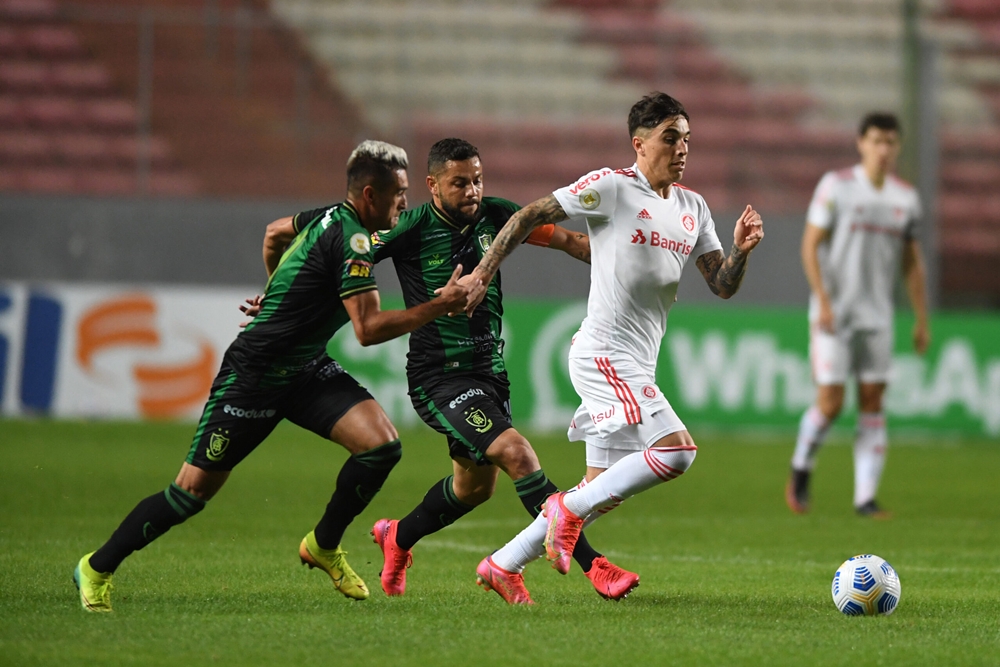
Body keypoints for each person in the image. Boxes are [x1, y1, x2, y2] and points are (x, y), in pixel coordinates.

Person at [72, 140, 474, 612]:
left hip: (304, 369)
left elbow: (273, 233)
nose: (406, 203)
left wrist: (279, 290)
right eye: (399, 193)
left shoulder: (329, 216)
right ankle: (96, 567)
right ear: (370, 195)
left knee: (381, 446)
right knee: (189, 494)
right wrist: (440, 305)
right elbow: (366, 330)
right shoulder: (354, 240)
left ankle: (323, 545)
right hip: (254, 375)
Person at [261, 138, 637, 604]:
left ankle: (398, 536)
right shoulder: (410, 228)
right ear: (432, 185)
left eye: (477, 180)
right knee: (518, 455)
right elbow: (336, 257)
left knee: (473, 488)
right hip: (439, 377)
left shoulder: (498, 215)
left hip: (489, 372)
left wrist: (634, 260)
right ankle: (594, 566)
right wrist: (283, 298)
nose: (472, 190)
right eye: (460, 182)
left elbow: (568, 241)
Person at [460, 92, 764, 604]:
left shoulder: (694, 207)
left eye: (687, 138)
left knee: (596, 493)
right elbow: (530, 215)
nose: (682, 148)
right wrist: (482, 274)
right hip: (604, 354)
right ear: (639, 143)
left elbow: (722, 284)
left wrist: (740, 250)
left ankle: (502, 563)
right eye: (671, 138)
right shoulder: (613, 187)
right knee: (677, 451)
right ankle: (564, 512)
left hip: (637, 360)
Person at [786, 112, 929, 518]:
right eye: (877, 141)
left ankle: (865, 498)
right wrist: (823, 300)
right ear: (861, 143)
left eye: (891, 142)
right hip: (835, 313)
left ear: (897, 147)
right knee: (831, 403)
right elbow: (810, 245)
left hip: (878, 316)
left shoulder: (906, 198)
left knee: (872, 401)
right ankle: (801, 467)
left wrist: (921, 318)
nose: (884, 149)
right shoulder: (837, 187)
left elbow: (912, 263)